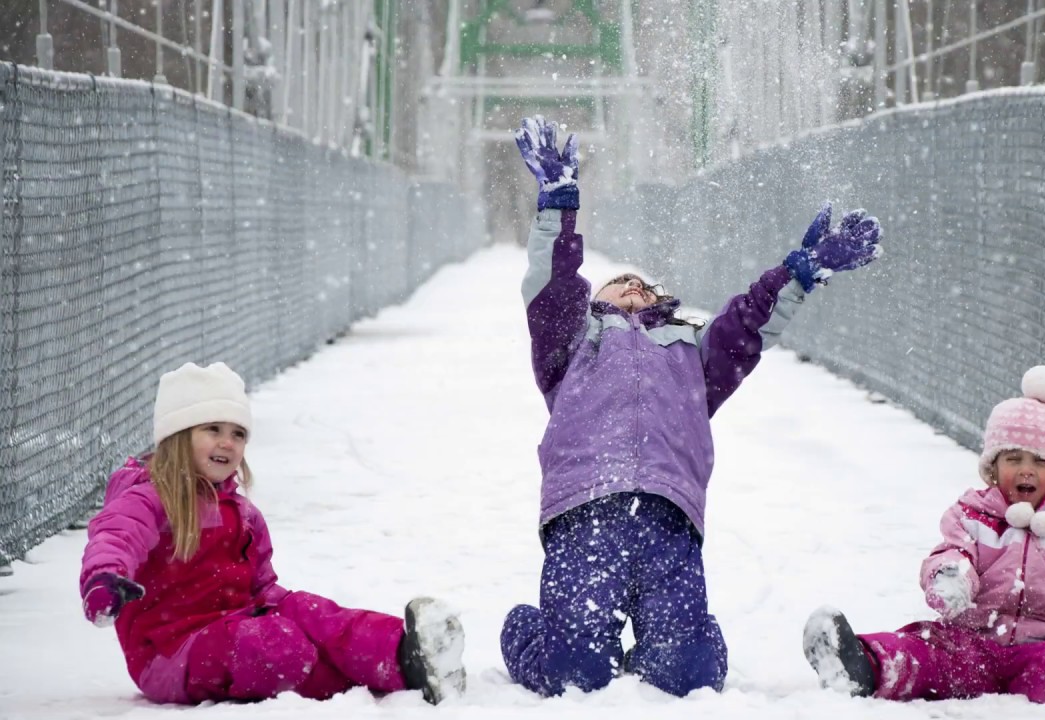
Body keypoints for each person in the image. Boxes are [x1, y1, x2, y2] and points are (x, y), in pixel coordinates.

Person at [500, 115, 883, 698]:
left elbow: (749, 324)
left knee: (688, 676)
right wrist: (558, 204)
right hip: (586, 514)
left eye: (646, 288)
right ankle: (530, 631)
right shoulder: (570, 346)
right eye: (618, 284)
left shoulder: (691, 354)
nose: (634, 289)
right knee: (573, 672)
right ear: (592, 302)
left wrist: (798, 275)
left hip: (669, 517)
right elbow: (552, 283)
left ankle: (676, 646)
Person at [79, 362, 466, 705]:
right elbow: (116, 535)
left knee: (315, 615)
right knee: (275, 643)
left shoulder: (243, 513)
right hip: (171, 653)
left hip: (236, 623)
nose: (227, 443)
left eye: (238, 434)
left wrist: (300, 614)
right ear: (178, 436)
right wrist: (104, 581)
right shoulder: (148, 497)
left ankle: (405, 654)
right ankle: (362, 678)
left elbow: (261, 587)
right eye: (213, 429)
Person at [803, 365, 1045, 709]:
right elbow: (953, 552)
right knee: (924, 652)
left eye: (1041, 463)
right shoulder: (973, 515)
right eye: (1013, 458)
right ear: (993, 468)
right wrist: (950, 577)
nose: (1026, 470)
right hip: (970, 641)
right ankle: (861, 665)